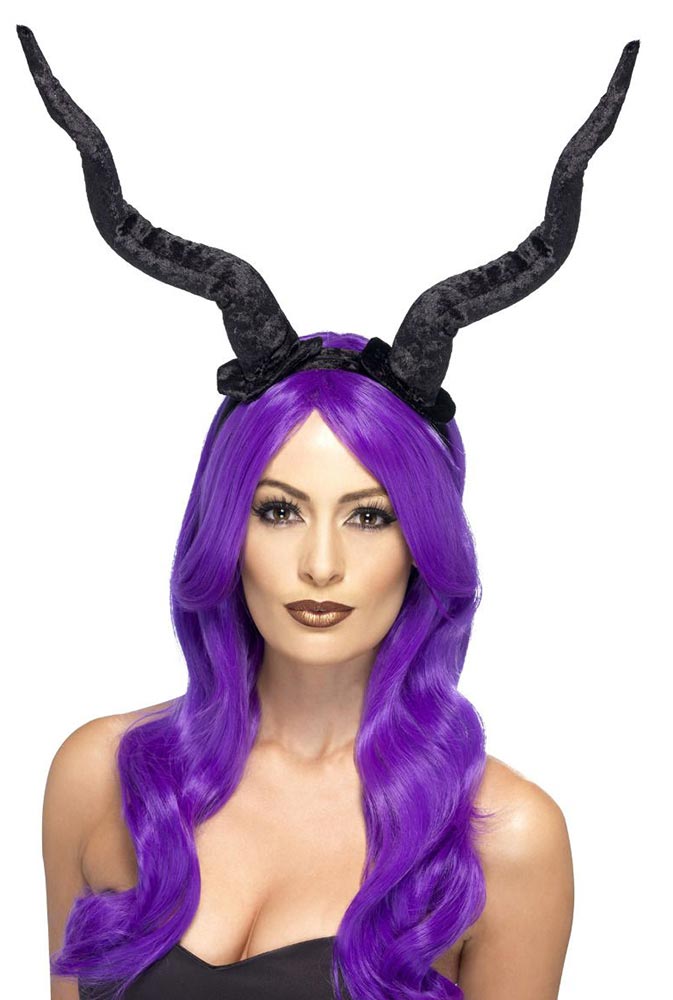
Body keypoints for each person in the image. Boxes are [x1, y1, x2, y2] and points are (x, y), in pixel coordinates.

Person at [17, 23, 639, 1000]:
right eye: (278, 512)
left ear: (422, 543)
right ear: (226, 530)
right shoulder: (100, 776)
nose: (319, 563)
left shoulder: (506, 839)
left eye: (368, 516)